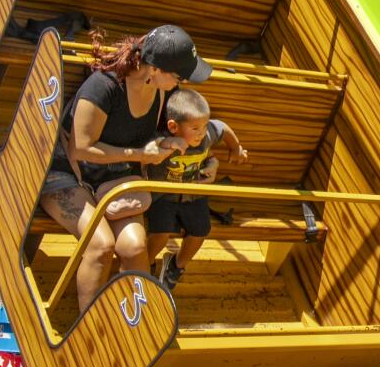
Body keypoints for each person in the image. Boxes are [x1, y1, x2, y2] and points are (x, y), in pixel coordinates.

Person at [39, 25, 212, 313]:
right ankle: (89, 329)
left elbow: (146, 138)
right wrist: (141, 154)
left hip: (111, 177)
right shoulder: (103, 86)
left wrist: (165, 143)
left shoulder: (160, 91)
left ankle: (134, 325)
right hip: (66, 174)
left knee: (134, 247)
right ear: (154, 69)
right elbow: (80, 148)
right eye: (179, 75)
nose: (182, 82)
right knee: (102, 245)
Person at [144, 88, 248, 291]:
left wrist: (236, 148)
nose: (201, 133)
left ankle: (176, 265)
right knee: (160, 232)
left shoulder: (207, 134)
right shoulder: (164, 140)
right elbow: (148, 147)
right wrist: (165, 144)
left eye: (203, 126)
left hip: (193, 194)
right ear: (173, 127)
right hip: (163, 195)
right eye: (195, 128)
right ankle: (146, 264)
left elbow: (223, 128)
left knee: (201, 231)